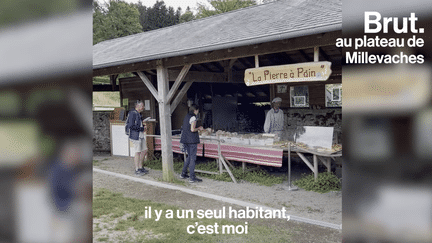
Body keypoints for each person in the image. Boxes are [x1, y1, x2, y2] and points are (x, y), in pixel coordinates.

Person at [180, 104, 204, 183]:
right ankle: (192, 177)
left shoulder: (186, 116)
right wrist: (199, 128)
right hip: (192, 140)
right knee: (192, 158)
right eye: (197, 111)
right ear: (195, 110)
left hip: (185, 139)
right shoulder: (193, 117)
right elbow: (192, 129)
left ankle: (183, 174)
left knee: (189, 156)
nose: (197, 112)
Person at [125, 100, 149, 176]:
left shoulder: (138, 114)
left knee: (145, 150)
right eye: (142, 106)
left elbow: (138, 124)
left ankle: (140, 167)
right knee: (138, 152)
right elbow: (131, 126)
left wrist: (143, 126)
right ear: (137, 106)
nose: (143, 107)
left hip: (140, 135)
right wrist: (142, 129)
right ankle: (137, 169)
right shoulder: (132, 113)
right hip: (135, 135)